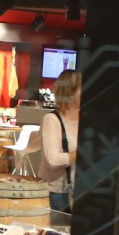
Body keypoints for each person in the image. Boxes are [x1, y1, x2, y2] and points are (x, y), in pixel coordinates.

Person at [41, 68, 80, 213]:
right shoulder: (52, 119)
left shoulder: (87, 118)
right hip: (58, 194)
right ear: (70, 93)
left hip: (81, 190)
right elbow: (52, 160)